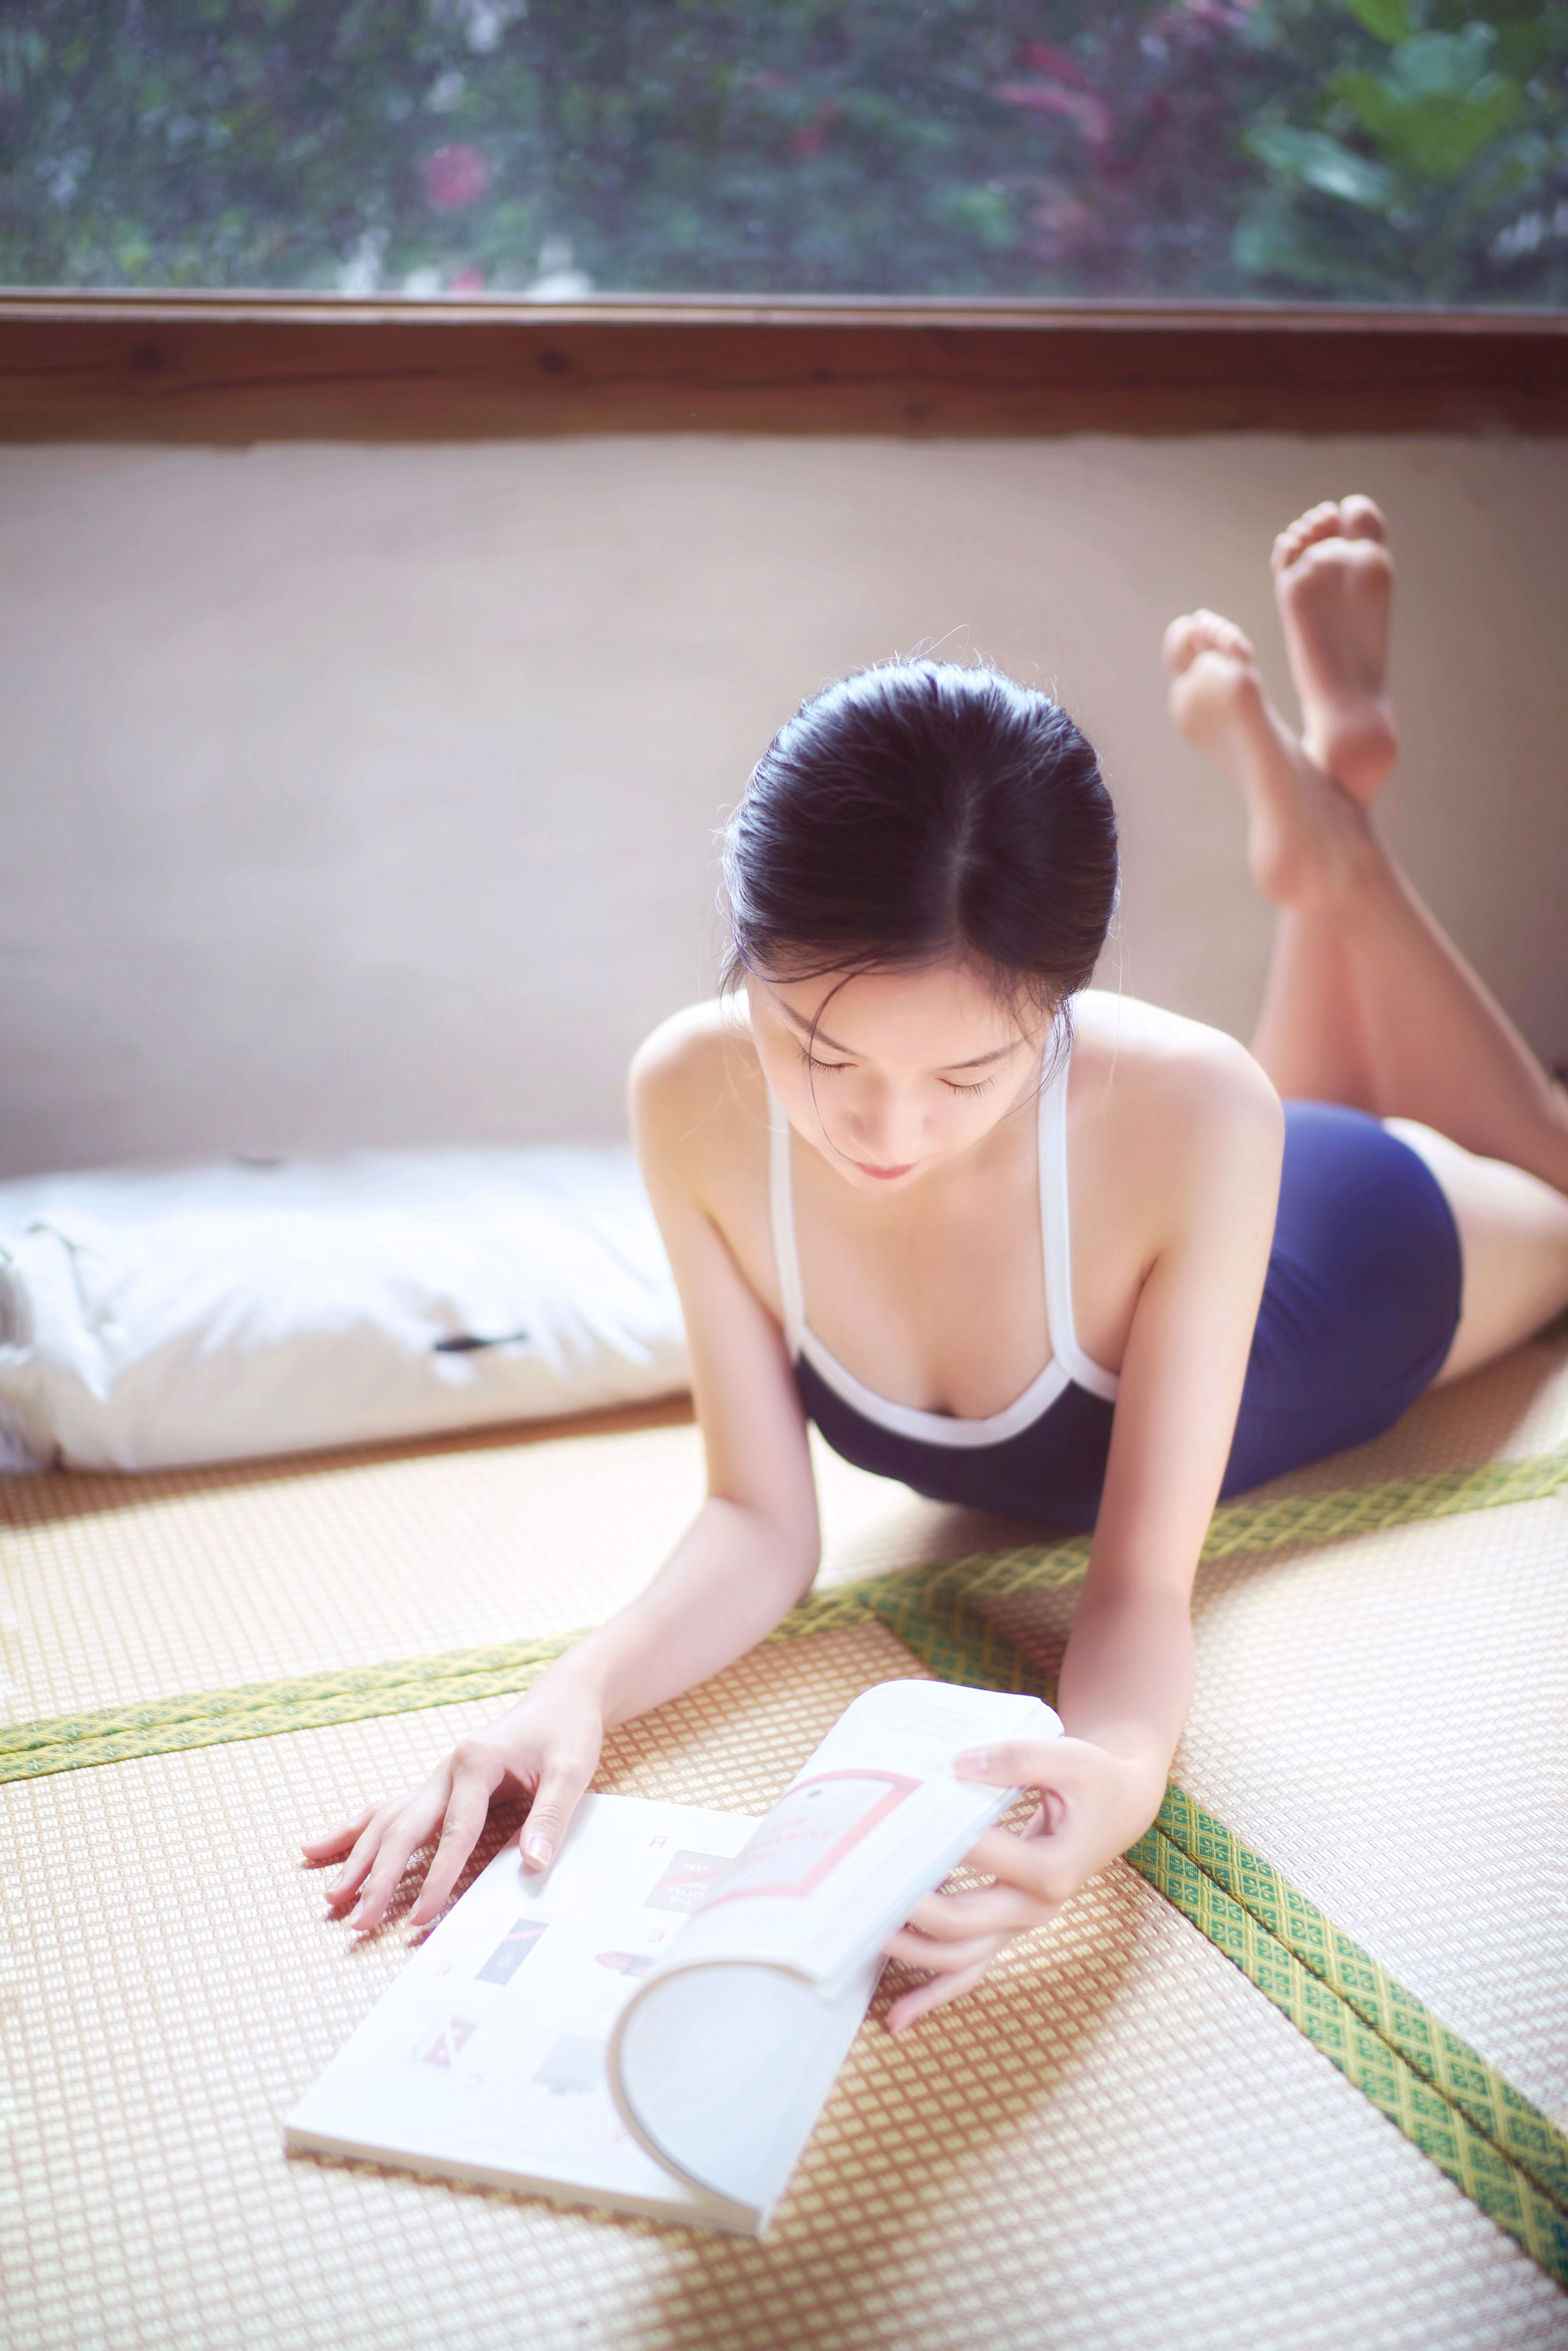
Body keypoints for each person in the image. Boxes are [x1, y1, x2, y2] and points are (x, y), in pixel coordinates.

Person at [305, 498, 1568, 2031]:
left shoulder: (1185, 1100)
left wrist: (1110, 1775)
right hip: (1201, 1201)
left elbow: (1137, 1592)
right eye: (817, 1049)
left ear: (1063, 1007)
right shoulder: (686, 1093)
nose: (879, 1129)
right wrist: (563, 1694)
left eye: (967, 1076)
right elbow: (755, 1521)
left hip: (1353, 1257)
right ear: (743, 954)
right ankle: (1324, 819)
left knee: (1538, 1175)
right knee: (1286, 1108)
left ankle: (1341, 829)